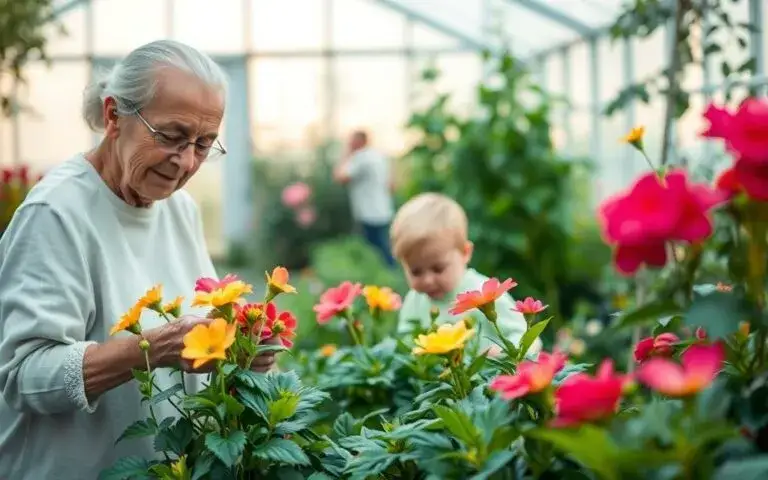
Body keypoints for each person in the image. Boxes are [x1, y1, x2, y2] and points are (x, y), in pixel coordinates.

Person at [0, 40, 276, 479]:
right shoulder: (56, 214)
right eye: (170, 136)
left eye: (204, 144)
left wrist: (244, 352)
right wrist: (152, 348)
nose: (185, 161)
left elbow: (197, 341)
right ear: (114, 116)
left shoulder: (179, 208)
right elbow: (23, 377)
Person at [391, 192, 539, 357]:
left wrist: (501, 354)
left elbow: (529, 339)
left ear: (465, 253)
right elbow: (406, 346)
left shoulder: (486, 295)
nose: (427, 280)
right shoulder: (414, 301)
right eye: (416, 271)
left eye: (438, 269)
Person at [333, 130, 395, 266]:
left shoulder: (360, 158)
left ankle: (389, 271)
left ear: (358, 141)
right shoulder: (378, 155)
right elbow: (391, 184)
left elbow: (340, 177)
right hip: (382, 208)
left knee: (376, 248)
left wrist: (345, 155)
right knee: (382, 245)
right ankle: (390, 271)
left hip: (369, 212)